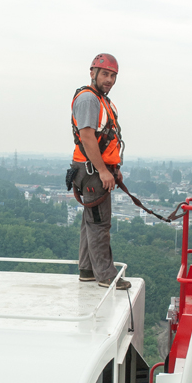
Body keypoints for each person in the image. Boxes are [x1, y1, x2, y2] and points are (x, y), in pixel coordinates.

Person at [70, 53, 131, 290]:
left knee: (91, 221)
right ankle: (106, 276)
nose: (109, 80)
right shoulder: (88, 99)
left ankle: (87, 270)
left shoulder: (101, 100)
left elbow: (105, 139)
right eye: (105, 74)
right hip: (92, 171)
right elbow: (87, 137)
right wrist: (103, 171)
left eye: (113, 76)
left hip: (95, 169)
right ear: (92, 73)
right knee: (99, 223)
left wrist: (113, 169)